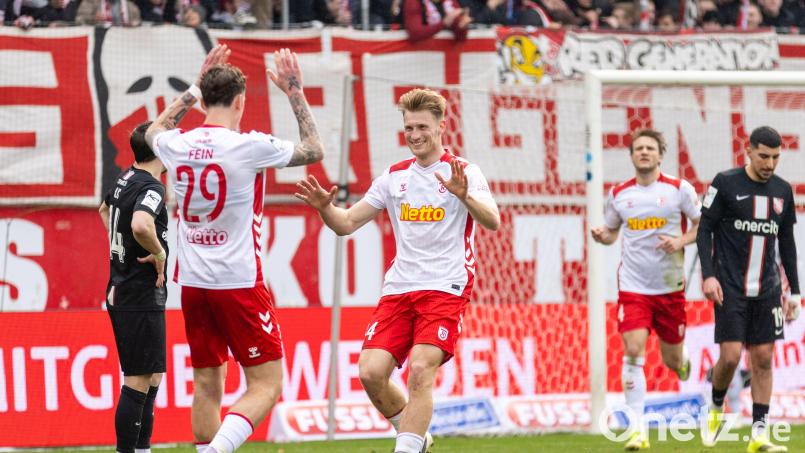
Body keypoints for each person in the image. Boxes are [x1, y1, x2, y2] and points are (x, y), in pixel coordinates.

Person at [295, 88, 500, 453]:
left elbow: (493, 221)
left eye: (422, 126)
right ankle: (416, 437)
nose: (415, 135)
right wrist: (324, 208)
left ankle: (406, 447)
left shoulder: (464, 172)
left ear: (441, 125)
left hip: (446, 286)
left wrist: (463, 195)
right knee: (371, 373)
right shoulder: (393, 177)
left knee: (420, 371)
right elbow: (345, 224)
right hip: (400, 288)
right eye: (409, 128)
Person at [145, 44, 323, 453]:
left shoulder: (177, 143)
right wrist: (294, 89)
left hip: (192, 281)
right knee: (267, 383)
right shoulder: (249, 146)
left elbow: (153, 131)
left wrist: (191, 89)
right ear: (241, 101)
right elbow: (315, 149)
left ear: (204, 100)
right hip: (238, 281)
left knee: (208, 383)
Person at [590, 128, 700, 451]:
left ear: (660, 154)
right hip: (634, 287)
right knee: (634, 349)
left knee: (672, 359)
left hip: (669, 287)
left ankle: (682, 360)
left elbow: (701, 224)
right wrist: (602, 235)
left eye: (650, 148)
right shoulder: (619, 194)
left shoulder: (679, 190)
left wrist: (679, 241)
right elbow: (612, 232)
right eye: (638, 148)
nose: (644, 153)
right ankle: (636, 430)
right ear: (631, 155)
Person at [697, 126, 801, 452]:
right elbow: (704, 232)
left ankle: (758, 434)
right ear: (749, 151)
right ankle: (715, 409)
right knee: (729, 357)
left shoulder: (783, 191)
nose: (770, 163)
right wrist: (709, 275)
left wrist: (795, 291)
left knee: (763, 358)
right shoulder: (725, 183)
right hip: (729, 286)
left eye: (775, 157)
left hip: (768, 288)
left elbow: (787, 243)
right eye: (764, 156)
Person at [99, 121, 169, 453]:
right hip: (138, 293)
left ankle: (142, 450)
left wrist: (119, 250)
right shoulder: (152, 187)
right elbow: (141, 224)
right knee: (138, 380)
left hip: (126, 288)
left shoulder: (126, 177)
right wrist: (158, 252)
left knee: (151, 376)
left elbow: (104, 209)